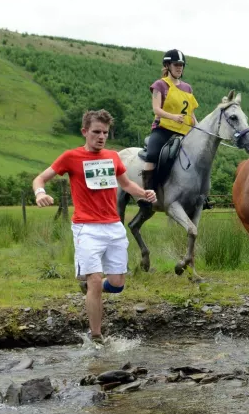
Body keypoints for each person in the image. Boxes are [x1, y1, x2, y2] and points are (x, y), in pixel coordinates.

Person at [33, 110, 157, 341]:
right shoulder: (71, 157)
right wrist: (40, 192)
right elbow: (39, 179)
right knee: (94, 281)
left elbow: (127, 184)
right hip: (86, 228)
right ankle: (97, 336)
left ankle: (94, 287)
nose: (101, 136)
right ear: (85, 132)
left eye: (105, 133)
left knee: (117, 284)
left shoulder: (112, 156)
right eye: (96, 132)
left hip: (113, 227)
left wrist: (145, 193)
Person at [138, 49, 200, 207]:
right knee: (152, 154)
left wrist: (199, 129)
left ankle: (199, 195)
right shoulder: (160, 85)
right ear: (168, 65)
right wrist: (173, 117)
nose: (179, 68)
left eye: (182, 65)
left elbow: (191, 114)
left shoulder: (188, 88)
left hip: (184, 131)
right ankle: (148, 194)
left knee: (198, 157)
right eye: (176, 64)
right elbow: (156, 110)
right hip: (163, 129)